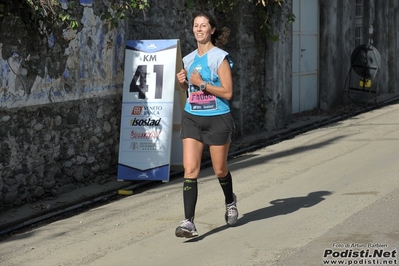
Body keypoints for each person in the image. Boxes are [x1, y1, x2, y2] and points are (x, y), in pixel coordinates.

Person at [175, 11, 238, 238]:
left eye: (204, 26)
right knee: (190, 170)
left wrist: (202, 84)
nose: (199, 29)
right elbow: (189, 90)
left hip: (218, 118)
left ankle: (230, 201)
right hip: (192, 117)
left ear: (212, 30)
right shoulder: (189, 59)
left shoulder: (219, 58)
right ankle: (188, 222)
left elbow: (228, 92)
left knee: (220, 169)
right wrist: (183, 84)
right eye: (196, 26)